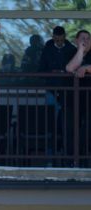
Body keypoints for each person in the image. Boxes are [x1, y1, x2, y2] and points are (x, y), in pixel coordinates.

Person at [40, 26, 78, 156]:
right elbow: (41, 69)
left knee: (66, 125)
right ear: (53, 37)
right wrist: (51, 72)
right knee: (50, 124)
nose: (59, 43)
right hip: (51, 90)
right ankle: (50, 156)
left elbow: (76, 67)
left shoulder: (72, 50)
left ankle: (67, 155)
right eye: (57, 40)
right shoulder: (47, 50)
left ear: (65, 37)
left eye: (61, 40)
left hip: (67, 91)